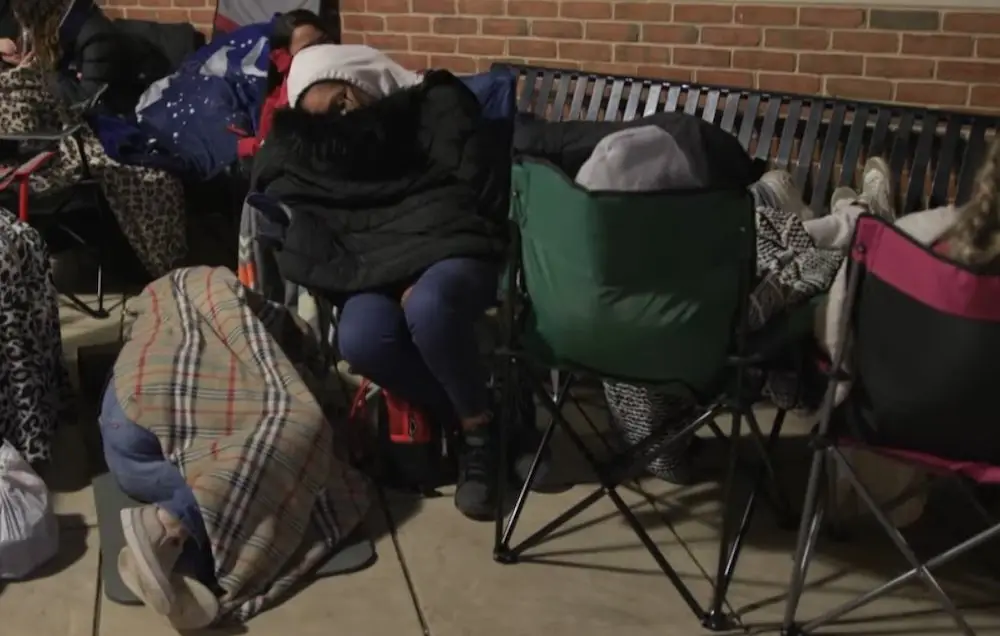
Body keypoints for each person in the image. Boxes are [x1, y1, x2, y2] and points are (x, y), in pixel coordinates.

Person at [252, 45, 509, 521]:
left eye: (341, 103)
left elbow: (475, 187)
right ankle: (476, 406)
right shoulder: (323, 148)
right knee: (362, 339)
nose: (340, 120)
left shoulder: (436, 107)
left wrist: (422, 260)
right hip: (371, 264)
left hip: (452, 247)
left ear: (357, 79)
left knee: (428, 308)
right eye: (321, 118)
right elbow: (289, 187)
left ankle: (478, 434)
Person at [102, 267, 371, 628]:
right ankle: (166, 523)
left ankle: (182, 564)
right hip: (152, 411)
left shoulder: (153, 308)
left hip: (124, 432)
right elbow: (292, 337)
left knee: (239, 471)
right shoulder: (236, 301)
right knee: (294, 446)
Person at [236, 9, 335, 161]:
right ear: (284, 57)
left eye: (324, 41)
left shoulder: (352, 76)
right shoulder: (277, 104)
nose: (320, 51)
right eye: (307, 49)